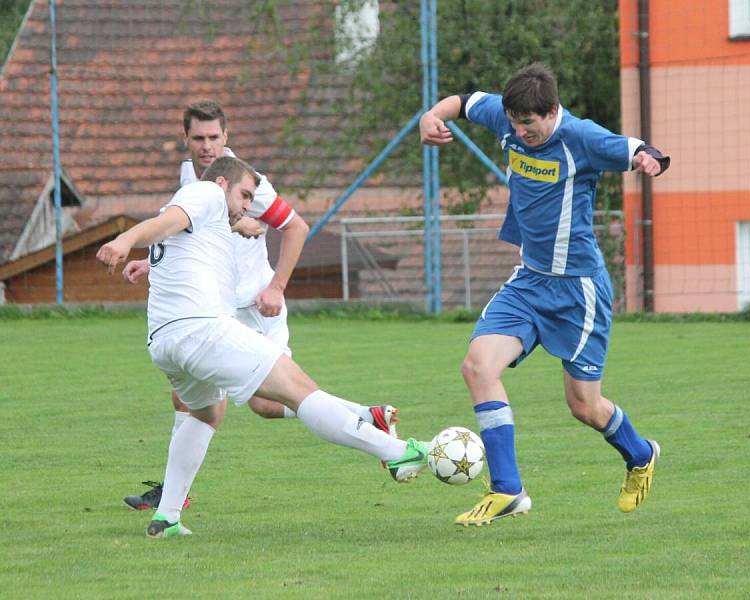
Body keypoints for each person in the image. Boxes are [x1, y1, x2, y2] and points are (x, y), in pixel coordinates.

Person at [97, 156, 429, 538]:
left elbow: (181, 241)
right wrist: (125, 239)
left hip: (165, 342)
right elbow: (163, 224)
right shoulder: (204, 191)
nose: (246, 204)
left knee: (205, 415)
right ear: (222, 183)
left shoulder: (207, 220)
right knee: (299, 391)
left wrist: (151, 261)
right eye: (244, 195)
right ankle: (397, 453)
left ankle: (167, 518)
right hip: (203, 330)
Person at [419, 63, 670, 526]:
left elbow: (632, 146)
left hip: (579, 292)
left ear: (552, 111)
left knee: (584, 407)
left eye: (529, 125)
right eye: (515, 123)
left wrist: (647, 158)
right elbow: (464, 99)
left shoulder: (580, 137)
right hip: (529, 282)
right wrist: (431, 116)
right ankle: (507, 489)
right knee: (477, 366)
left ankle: (640, 454)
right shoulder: (508, 115)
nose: (520, 132)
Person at [121, 101, 398, 511]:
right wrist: (152, 261)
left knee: (272, 401)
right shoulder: (193, 179)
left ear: (226, 137)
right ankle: (172, 496)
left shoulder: (247, 181)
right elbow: (196, 233)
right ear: (186, 140)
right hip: (216, 309)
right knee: (200, 401)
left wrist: (277, 287)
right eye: (198, 138)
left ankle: (368, 421)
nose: (207, 145)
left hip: (253, 305)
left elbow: (296, 227)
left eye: (214, 137)